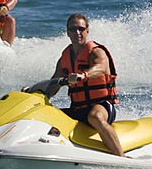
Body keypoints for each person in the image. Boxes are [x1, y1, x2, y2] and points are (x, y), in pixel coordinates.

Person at [51, 13, 125, 157]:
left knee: (95, 117)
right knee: (47, 115)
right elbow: (53, 83)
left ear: (87, 30)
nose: (77, 32)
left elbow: (101, 67)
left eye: (81, 29)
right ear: (67, 32)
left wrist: (83, 75)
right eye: (73, 29)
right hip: (78, 109)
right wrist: (35, 91)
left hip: (102, 105)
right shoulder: (64, 58)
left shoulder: (96, 52)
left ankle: (122, 158)